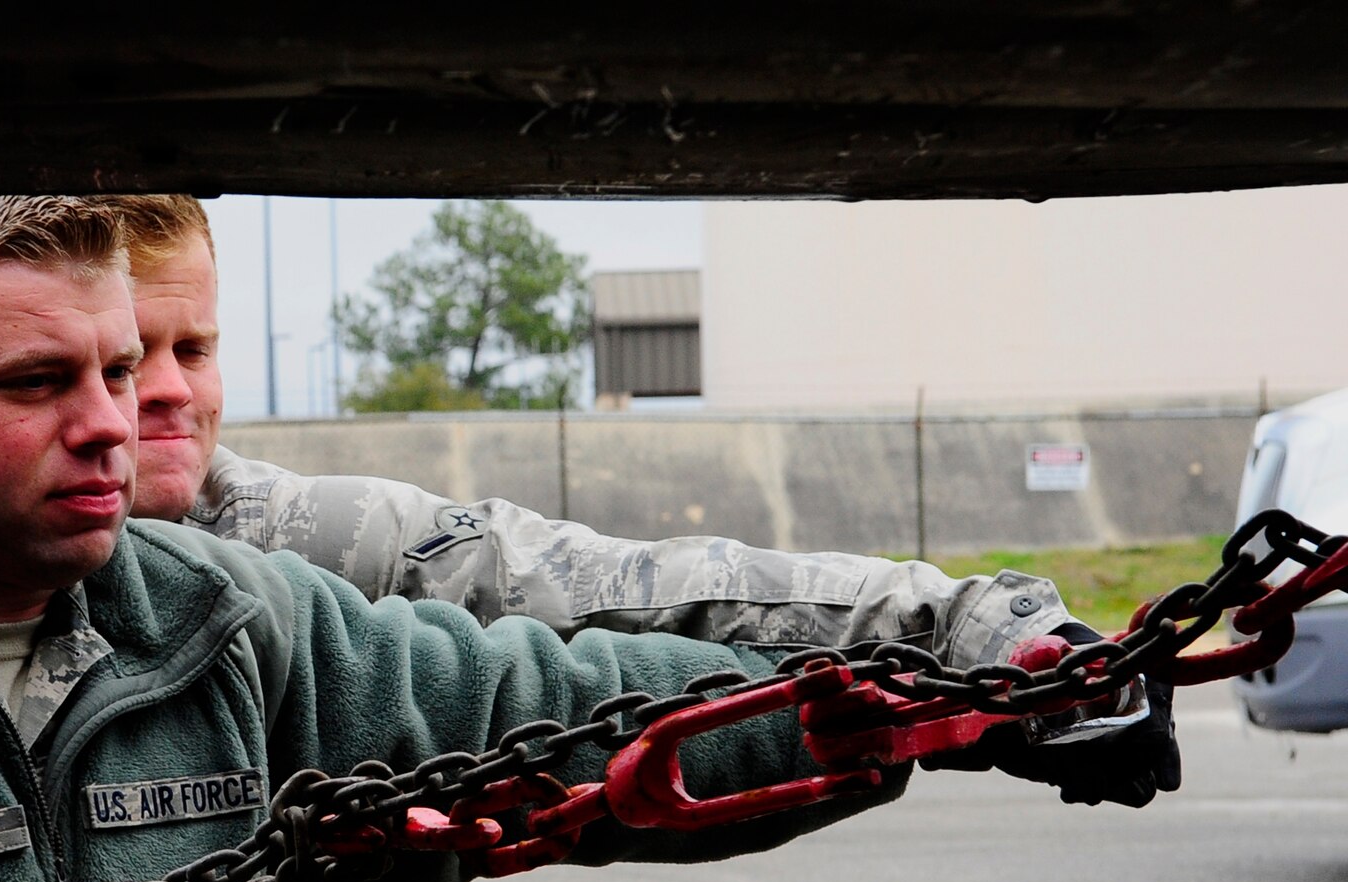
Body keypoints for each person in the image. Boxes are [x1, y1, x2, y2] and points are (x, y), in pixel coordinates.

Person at [0, 197, 1162, 882]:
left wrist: (957, 702)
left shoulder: (233, 614)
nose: (121, 421)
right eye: (43, 384)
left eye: (129, 366)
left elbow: (584, 717)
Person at [104, 194, 1178, 803]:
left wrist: (961, 637)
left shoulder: (288, 536)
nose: (161, 389)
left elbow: (617, 590)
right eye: (110, 356)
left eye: (190, 346)